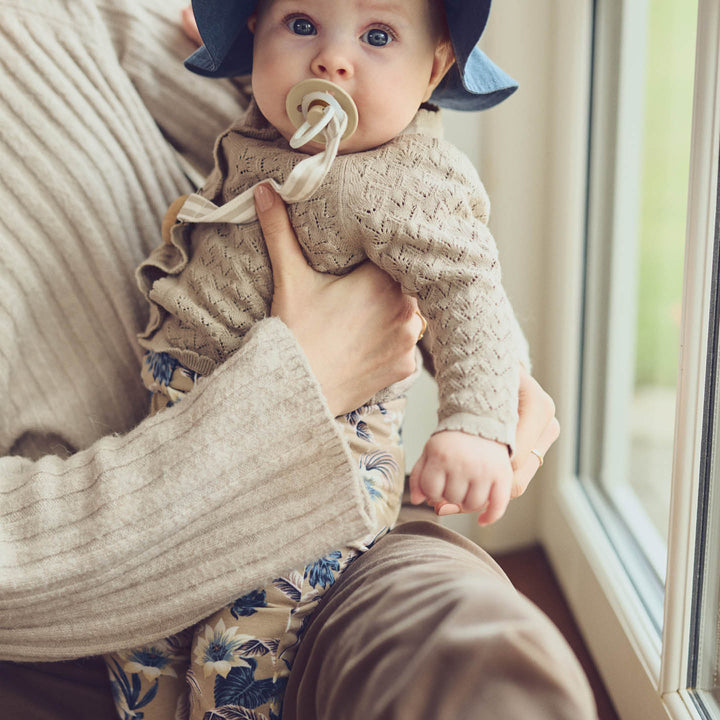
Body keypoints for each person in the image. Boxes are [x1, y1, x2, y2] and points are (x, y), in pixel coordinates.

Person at [0, 1, 594, 719]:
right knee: (145, 664)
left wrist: (477, 417)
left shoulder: (403, 177)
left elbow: (466, 292)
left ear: (436, 69)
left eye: (377, 37)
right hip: (139, 500)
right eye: (302, 25)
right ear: (256, 33)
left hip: (316, 480)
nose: (331, 62)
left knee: (244, 665)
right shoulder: (258, 128)